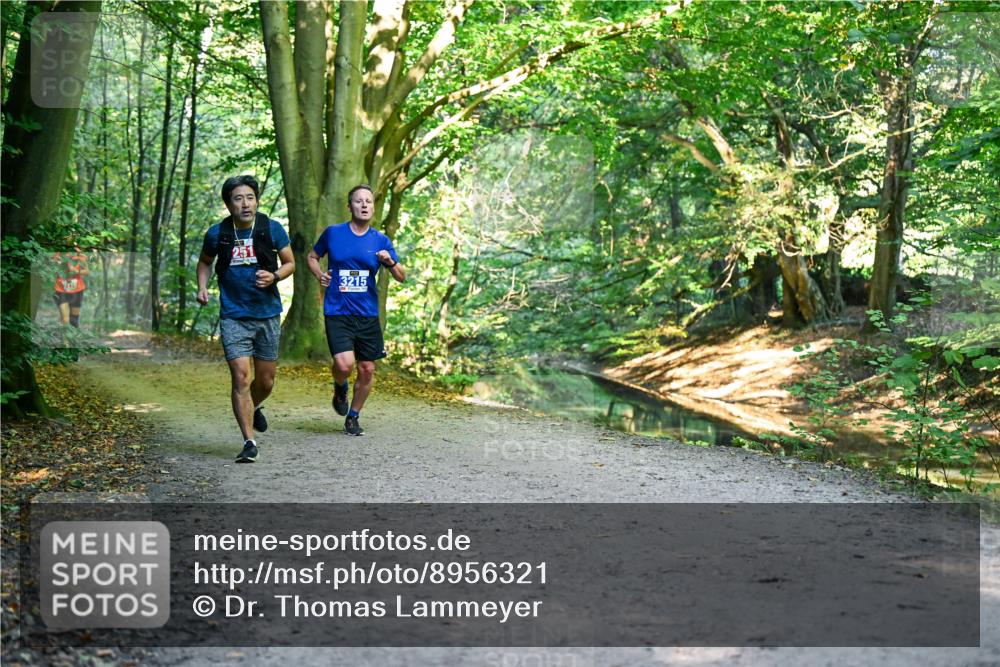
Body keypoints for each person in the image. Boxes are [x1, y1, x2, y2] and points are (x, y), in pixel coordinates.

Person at [196, 175, 295, 463]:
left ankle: (255, 405)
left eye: (250, 197)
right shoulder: (217, 234)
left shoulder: (271, 228)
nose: (245, 203)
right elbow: (205, 262)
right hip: (233, 316)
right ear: (228, 204)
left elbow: (290, 263)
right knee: (241, 377)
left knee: (266, 381)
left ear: (257, 200)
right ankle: (249, 441)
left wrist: (275, 275)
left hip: (267, 314)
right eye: (238, 199)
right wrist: (202, 287)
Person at [307, 184, 406, 436]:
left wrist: (390, 261)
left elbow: (401, 276)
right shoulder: (333, 234)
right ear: (349, 205)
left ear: (373, 207)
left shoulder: (380, 240)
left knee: (367, 368)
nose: (364, 205)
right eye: (358, 201)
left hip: (367, 314)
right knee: (344, 365)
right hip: (337, 310)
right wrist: (320, 275)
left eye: (369, 202)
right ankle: (340, 386)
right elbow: (311, 257)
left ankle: (353, 416)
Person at [52, 248, 89, 328]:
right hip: (61, 290)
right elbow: (52, 270)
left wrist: (76, 271)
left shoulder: (78, 253)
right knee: (65, 320)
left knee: (74, 321)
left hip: (77, 290)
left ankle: (72, 339)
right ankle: (65, 340)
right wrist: (57, 264)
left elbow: (86, 271)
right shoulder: (58, 254)